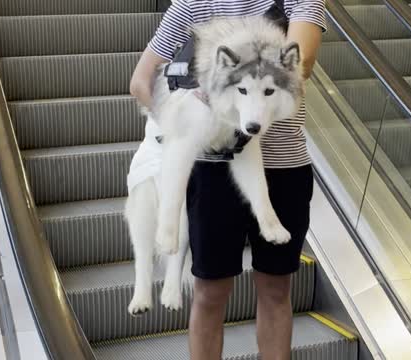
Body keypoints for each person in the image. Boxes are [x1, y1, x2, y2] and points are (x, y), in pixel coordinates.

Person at [129, 1, 325, 359]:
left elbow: (303, 62)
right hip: (212, 169)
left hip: (283, 167)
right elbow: (141, 81)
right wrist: (182, 122)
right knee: (210, 291)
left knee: (276, 288)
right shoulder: (193, 3)